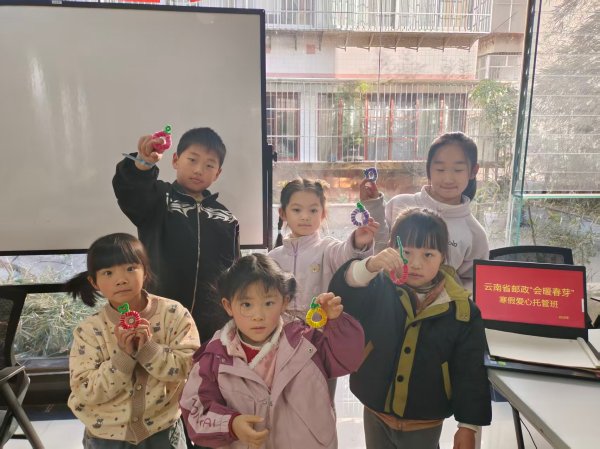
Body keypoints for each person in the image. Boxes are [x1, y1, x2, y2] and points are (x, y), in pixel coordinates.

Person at [329, 208, 491, 449]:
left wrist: (468, 426)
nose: (415, 263)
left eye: (428, 254)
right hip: (375, 407)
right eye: (406, 252)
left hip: (425, 418)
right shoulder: (379, 286)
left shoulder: (462, 311)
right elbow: (344, 291)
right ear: (391, 250)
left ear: (443, 257)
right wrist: (370, 265)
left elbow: (471, 371)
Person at [180, 253, 365, 449]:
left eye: (268, 303)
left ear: (284, 302)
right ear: (228, 306)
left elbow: (348, 359)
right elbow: (195, 411)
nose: (258, 315)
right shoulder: (214, 358)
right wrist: (231, 424)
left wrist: (336, 323)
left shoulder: (307, 344)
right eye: (246, 305)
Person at [65, 233, 200, 448]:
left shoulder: (173, 314)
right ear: (94, 282)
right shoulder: (90, 330)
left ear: (145, 271)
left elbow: (189, 368)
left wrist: (149, 349)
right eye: (108, 273)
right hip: (106, 436)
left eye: (130, 268)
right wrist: (123, 358)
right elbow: (85, 389)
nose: (121, 280)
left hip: (162, 430)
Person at [113, 127, 240, 343]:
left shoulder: (226, 217)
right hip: (159, 318)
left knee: (205, 363)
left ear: (217, 173)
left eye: (209, 165)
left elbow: (233, 272)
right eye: (192, 160)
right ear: (175, 160)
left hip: (211, 325)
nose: (199, 170)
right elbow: (131, 191)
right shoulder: (158, 199)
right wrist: (143, 165)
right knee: (158, 362)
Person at [360, 132, 488, 291]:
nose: (448, 179)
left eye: (458, 170)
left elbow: (472, 286)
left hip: (438, 306)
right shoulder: (400, 204)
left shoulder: (475, 234)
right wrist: (373, 206)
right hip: (388, 299)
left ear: (473, 171)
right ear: (428, 169)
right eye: (440, 169)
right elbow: (379, 246)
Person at [268, 177, 380, 318]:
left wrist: (358, 242)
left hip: (322, 329)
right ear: (283, 213)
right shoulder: (272, 258)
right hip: (281, 330)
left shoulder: (328, 249)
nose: (305, 216)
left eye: (313, 210)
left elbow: (346, 257)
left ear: (323, 214)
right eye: (296, 210)